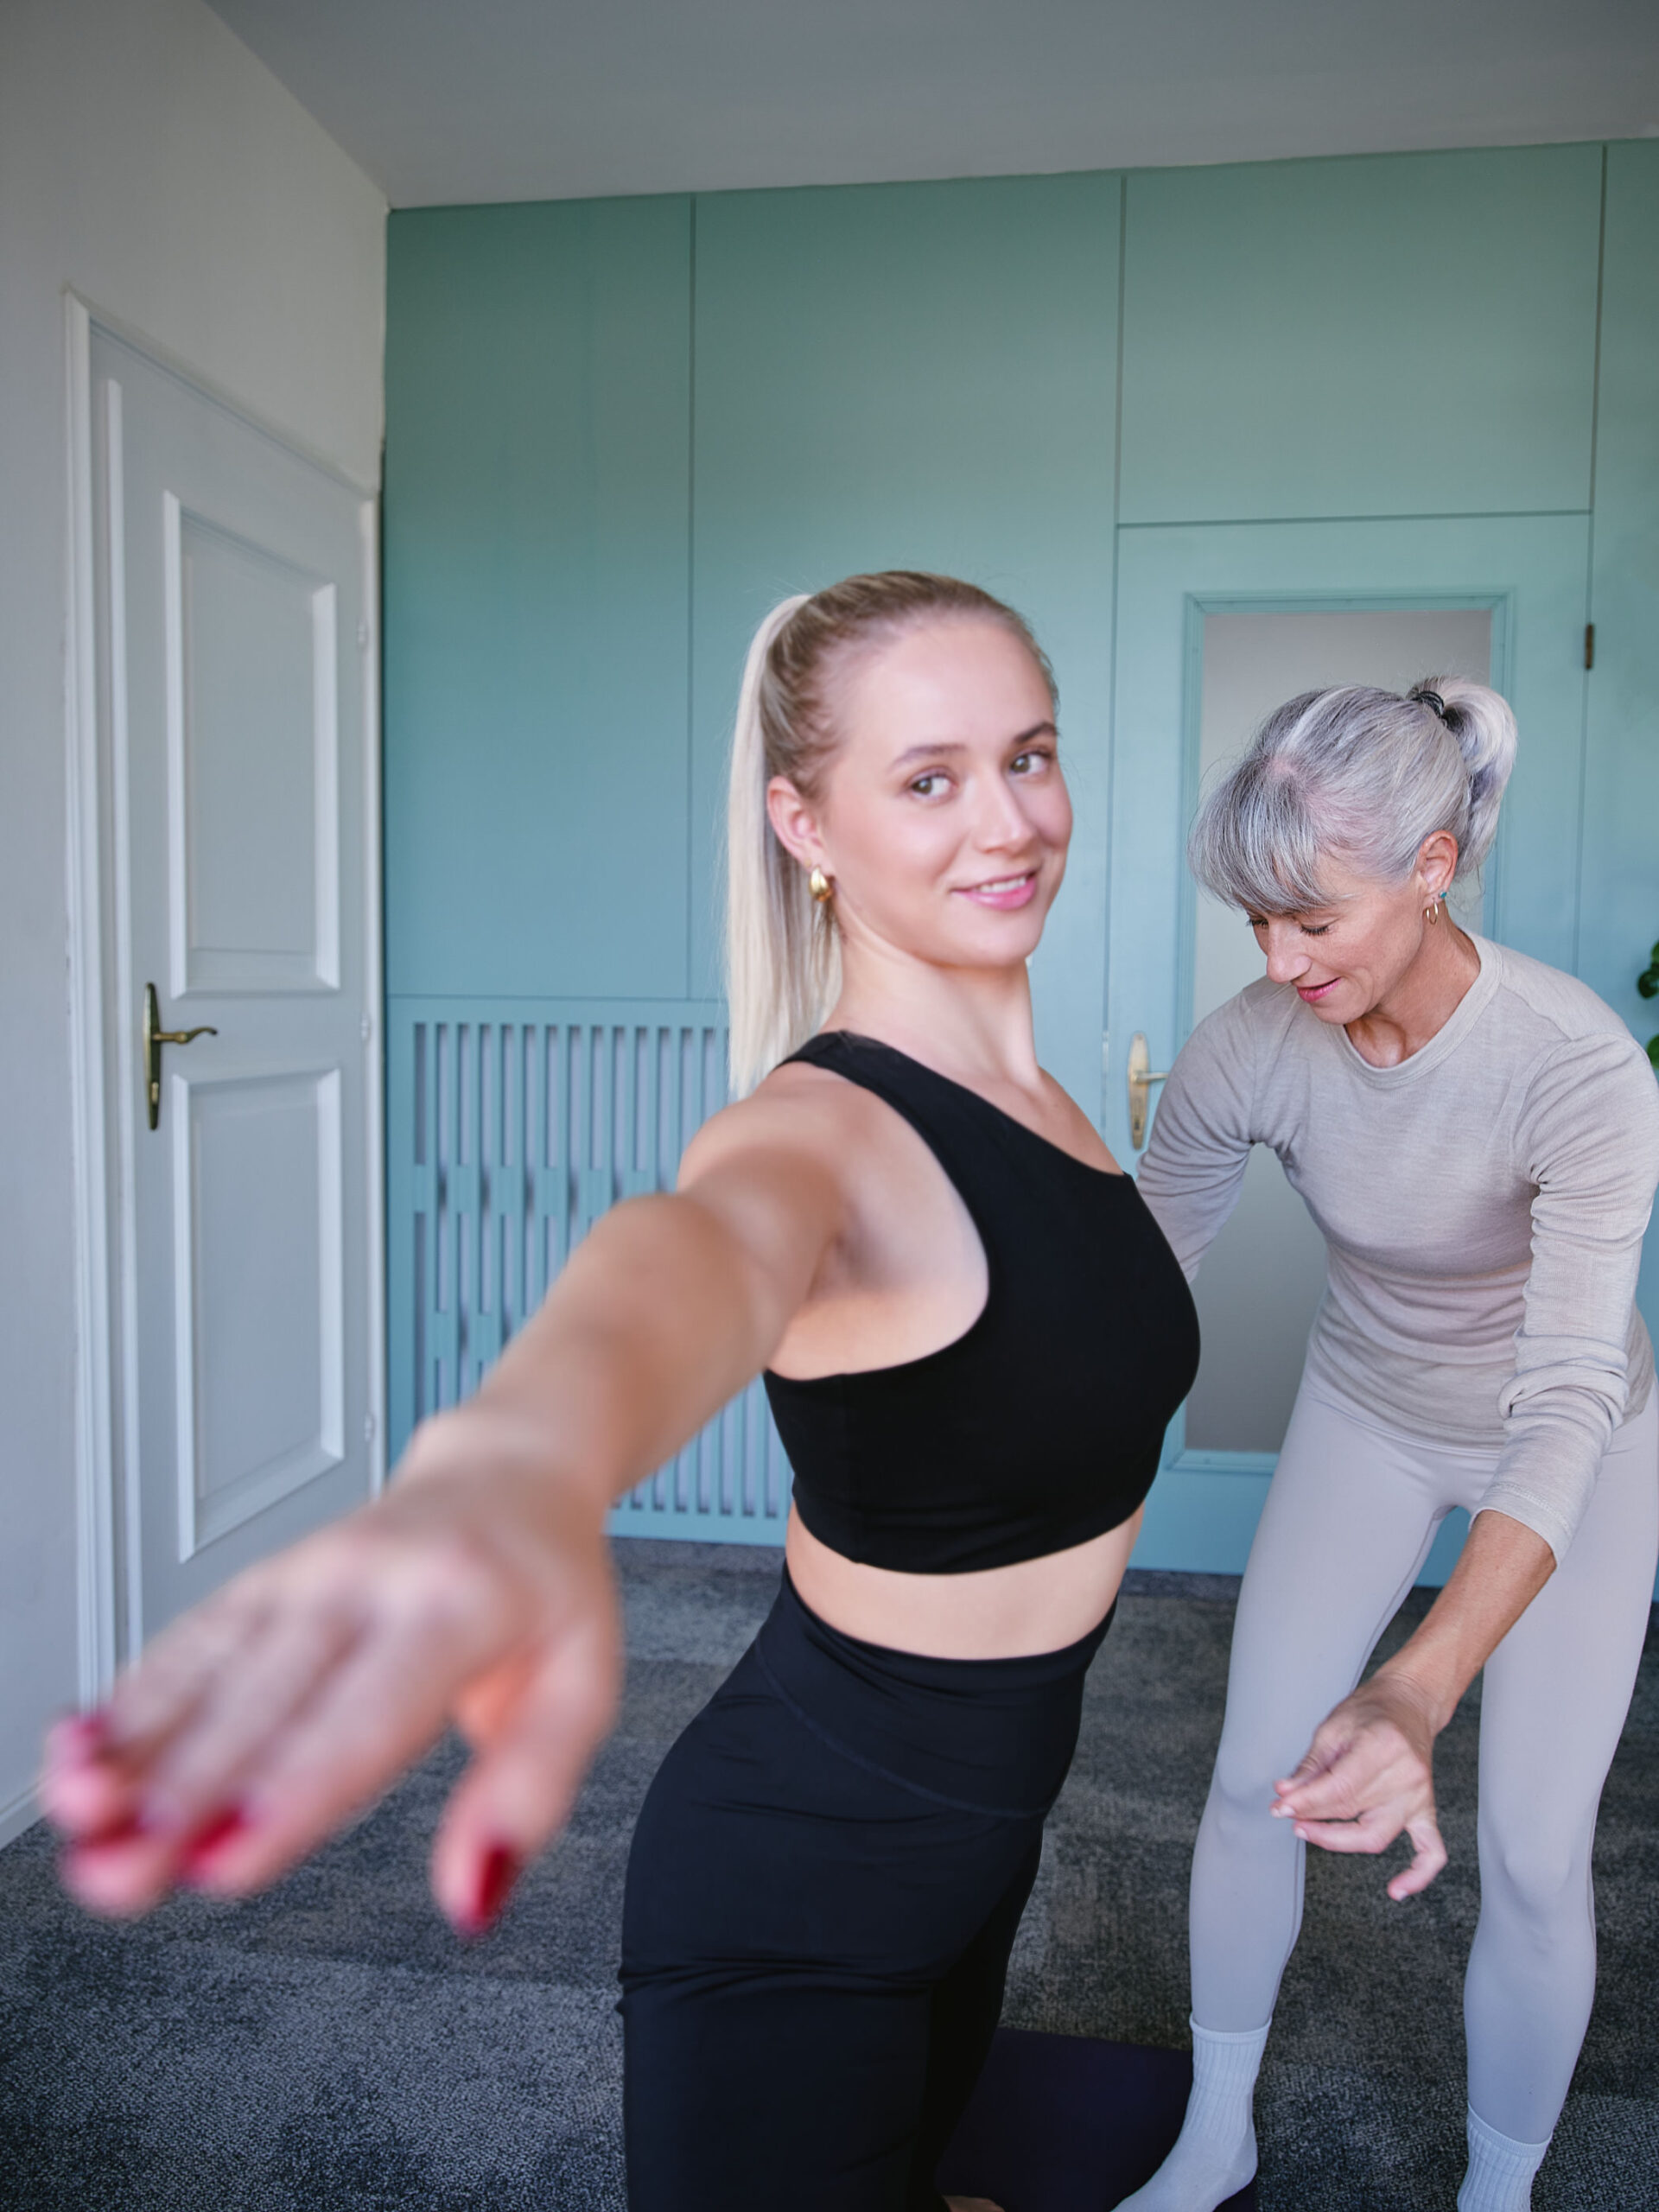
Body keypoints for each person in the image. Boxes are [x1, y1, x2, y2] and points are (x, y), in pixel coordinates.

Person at [43, 571, 1200, 2212]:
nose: (1008, 821)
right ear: (806, 823)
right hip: (804, 1881)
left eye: (1031, 754)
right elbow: (693, 1255)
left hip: (983, 1835)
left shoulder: (1046, 1101)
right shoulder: (819, 1138)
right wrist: (516, 1454)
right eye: (928, 778)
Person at [1117, 678, 1659, 2212]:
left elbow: (1563, 1400)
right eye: (1256, 926)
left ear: (1431, 866)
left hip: (1580, 1444)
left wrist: (1422, 1686)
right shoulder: (1254, 1046)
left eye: (1313, 922)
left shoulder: (1577, 1067)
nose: (1282, 963)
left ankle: (1500, 2196)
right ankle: (1218, 2134)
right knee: (1250, 1780)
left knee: (1543, 1860)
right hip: (1367, 1405)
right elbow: (1140, 1282)